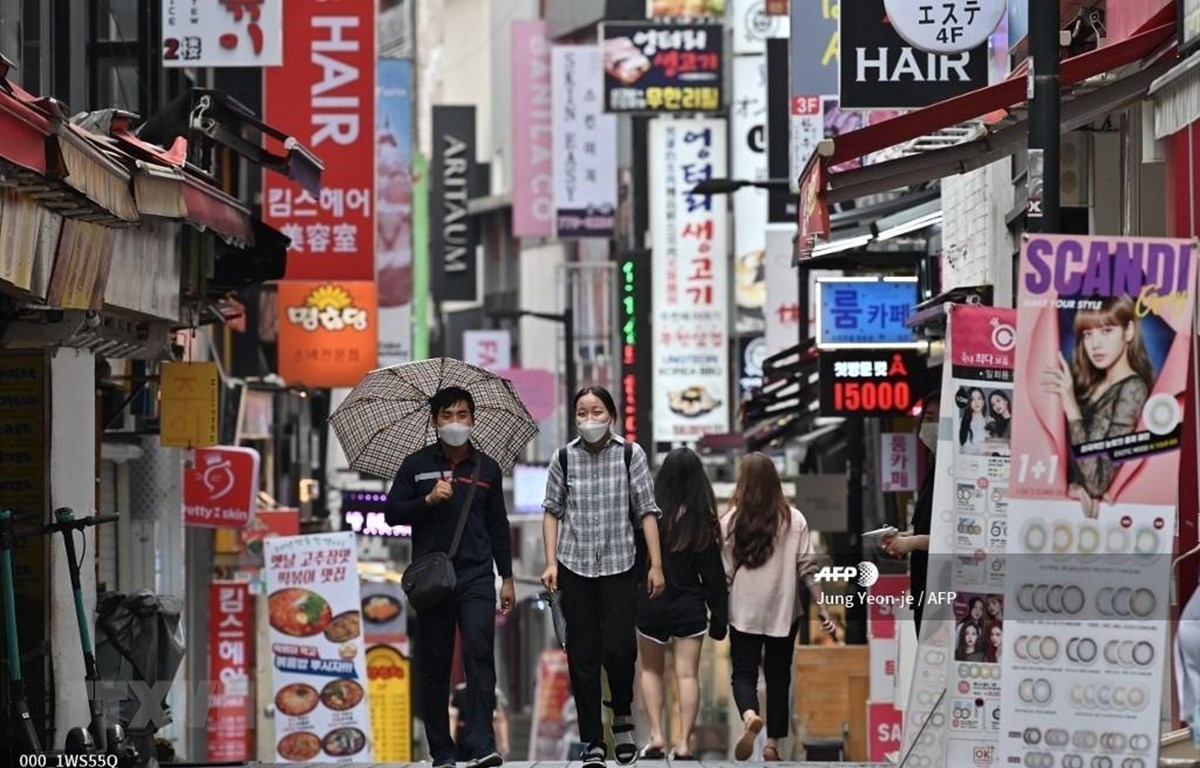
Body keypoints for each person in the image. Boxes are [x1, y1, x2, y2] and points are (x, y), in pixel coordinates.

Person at [385, 387, 515, 768]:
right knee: (436, 661)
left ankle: (481, 742)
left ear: (473, 420)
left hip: (476, 575)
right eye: (447, 415)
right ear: (435, 421)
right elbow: (392, 512)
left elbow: (498, 525)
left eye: (462, 414)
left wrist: (506, 577)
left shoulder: (486, 468)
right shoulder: (416, 465)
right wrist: (426, 501)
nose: (455, 422)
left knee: (479, 652)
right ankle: (442, 749)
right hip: (433, 579)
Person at [541, 386, 666, 768]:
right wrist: (550, 562)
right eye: (582, 412)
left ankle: (623, 718)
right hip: (574, 565)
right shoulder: (563, 457)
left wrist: (656, 565)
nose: (589, 418)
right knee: (582, 656)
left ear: (611, 414)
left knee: (620, 648)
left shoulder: (631, 454)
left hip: (620, 563)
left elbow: (646, 510)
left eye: (596, 410)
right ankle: (592, 739)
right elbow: (551, 511)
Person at [721, 452, 835, 762]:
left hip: (744, 611)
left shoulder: (730, 521)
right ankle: (772, 743)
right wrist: (824, 609)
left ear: (743, 483)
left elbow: (726, 574)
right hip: (783, 611)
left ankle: (749, 716)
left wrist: (720, 606)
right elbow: (807, 570)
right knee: (778, 676)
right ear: (775, 482)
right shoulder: (794, 519)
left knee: (743, 674)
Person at [635, 448, 728, 761]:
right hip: (690, 604)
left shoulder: (648, 517)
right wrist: (719, 613)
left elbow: (635, 564)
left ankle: (657, 737)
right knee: (687, 675)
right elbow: (713, 573)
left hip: (651, 601)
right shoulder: (701, 520)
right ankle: (684, 743)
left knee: (650, 670)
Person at [1042, 296, 1153, 517]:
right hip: (1067, 514)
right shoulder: (1087, 383)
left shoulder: (1133, 390)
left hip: (1106, 522)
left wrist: (1072, 409)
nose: (1095, 344)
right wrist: (1069, 486)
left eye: (1106, 331)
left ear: (1129, 331)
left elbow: (1097, 483)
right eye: (1088, 334)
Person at [882, 392, 938, 634]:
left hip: (941, 587)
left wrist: (911, 542)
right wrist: (905, 537)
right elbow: (929, 526)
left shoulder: (954, 472)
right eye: (927, 416)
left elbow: (955, 537)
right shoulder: (933, 465)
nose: (929, 424)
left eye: (936, 418)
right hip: (923, 585)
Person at [450, 684, 510, 760]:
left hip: (486, 733)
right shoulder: (460, 692)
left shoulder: (494, 693)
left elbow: (501, 720)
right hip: (464, 736)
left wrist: (504, 743)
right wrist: (451, 740)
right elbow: (453, 719)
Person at [958, 387, 989, 454]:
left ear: (983, 402)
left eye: (979, 398)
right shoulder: (960, 422)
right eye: (972, 399)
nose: (976, 402)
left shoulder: (989, 423)